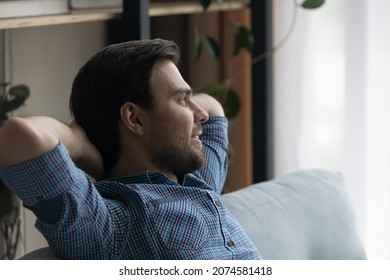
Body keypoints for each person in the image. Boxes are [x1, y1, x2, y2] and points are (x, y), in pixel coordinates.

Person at [0, 39, 261, 260]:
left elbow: (213, 107)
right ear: (134, 119)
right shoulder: (109, 222)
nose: (200, 114)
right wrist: (81, 147)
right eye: (182, 100)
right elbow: (19, 137)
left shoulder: (198, 181)